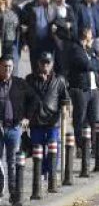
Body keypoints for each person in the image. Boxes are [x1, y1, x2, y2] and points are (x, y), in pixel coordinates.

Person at [25, 50, 69, 181]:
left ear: (52, 64)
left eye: (47, 63)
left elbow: (65, 98)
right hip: (36, 120)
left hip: (52, 121)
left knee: (53, 147)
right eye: (43, 63)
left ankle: (51, 172)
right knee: (37, 149)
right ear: (38, 63)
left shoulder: (59, 80)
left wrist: (66, 111)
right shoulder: (30, 79)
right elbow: (25, 99)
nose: (45, 65)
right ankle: (41, 172)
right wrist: (24, 116)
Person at [61, 23, 99, 149]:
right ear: (85, 35)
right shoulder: (75, 49)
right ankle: (80, 145)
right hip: (81, 89)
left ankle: (95, 146)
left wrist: (93, 60)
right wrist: (93, 62)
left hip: (94, 89)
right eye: (90, 34)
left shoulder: (91, 50)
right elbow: (87, 65)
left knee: (95, 119)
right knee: (80, 118)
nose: (92, 37)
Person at [0, 56, 31, 206]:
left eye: (10, 67)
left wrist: (27, 117)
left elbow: (34, 99)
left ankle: (13, 194)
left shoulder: (19, 83)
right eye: (5, 66)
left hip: (14, 128)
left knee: (12, 162)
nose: (7, 69)